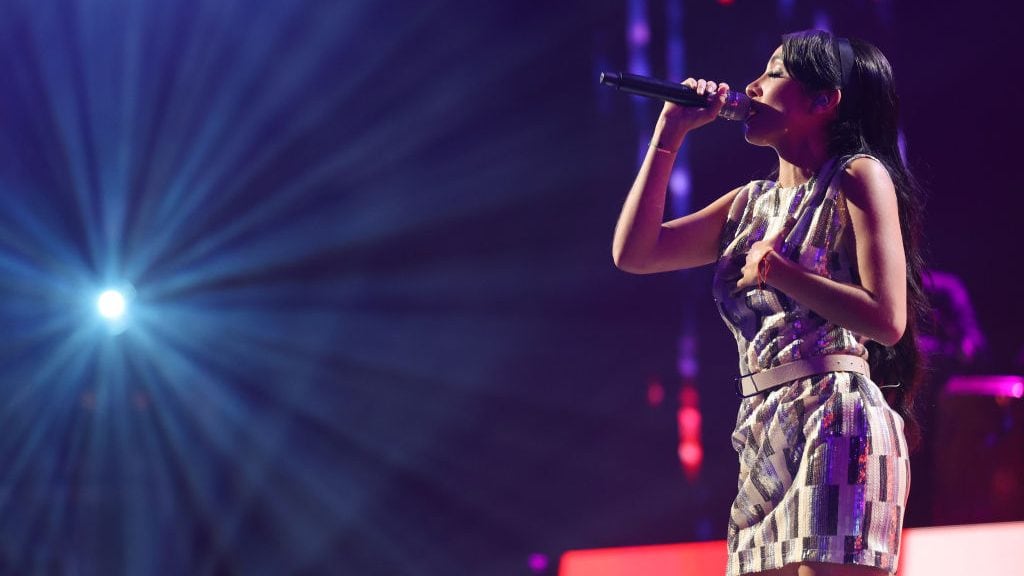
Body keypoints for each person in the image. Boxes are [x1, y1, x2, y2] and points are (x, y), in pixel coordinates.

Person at [612, 30, 928, 576]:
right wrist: (669, 133)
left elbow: (887, 318)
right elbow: (636, 253)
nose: (752, 86)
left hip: (838, 418)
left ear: (823, 100)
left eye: (774, 73)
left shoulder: (857, 176)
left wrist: (782, 273)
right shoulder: (748, 203)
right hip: (763, 426)